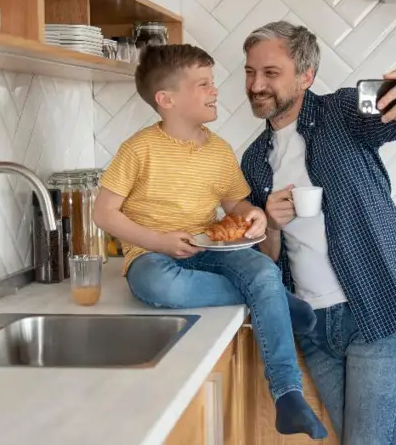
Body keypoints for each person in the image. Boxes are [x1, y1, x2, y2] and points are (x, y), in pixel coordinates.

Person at [93, 44, 328, 439]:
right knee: (161, 285)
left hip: (211, 250)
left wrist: (251, 214)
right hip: (153, 255)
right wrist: (160, 241)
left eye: (213, 82)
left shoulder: (218, 150)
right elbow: (103, 214)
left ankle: (288, 395)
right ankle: (273, 298)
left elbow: (234, 202)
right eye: (203, 84)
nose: (215, 90)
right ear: (166, 100)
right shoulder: (139, 149)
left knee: (262, 268)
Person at [239, 21, 396, 444]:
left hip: (376, 309)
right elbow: (267, 259)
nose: (256, 84)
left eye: (270, 73)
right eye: (250, 72)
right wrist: (271, 225)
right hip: (312, 326)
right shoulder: (254, 160)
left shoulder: (344, 113)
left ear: (306, 76)